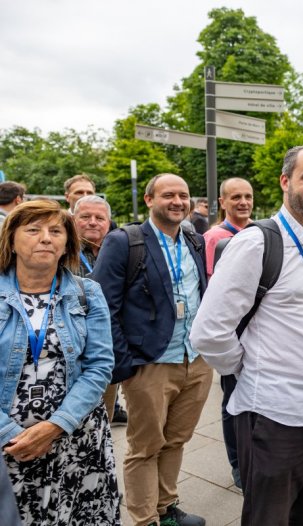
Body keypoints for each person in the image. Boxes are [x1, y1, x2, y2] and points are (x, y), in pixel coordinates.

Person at [190, 145, 303, 526]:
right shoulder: (256, 242)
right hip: (277, 416)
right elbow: (209, 331)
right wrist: (247, 369)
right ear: (285, 181)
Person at [92, 173, 211, 526]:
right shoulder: (125, 241)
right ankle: (145, 519)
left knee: (175, 439)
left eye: (183, 195)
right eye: (168, 194)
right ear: (149, 200)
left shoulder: (194, 239)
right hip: (150, 363)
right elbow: (104, 307)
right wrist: (125, 364)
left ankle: (166, 505)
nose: (177, 201)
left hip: (194, 358)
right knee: (144, 447)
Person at [0, 199, 119, 525]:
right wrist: (10, 434)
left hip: (78, 440)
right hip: (10, 449)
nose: (46, 238)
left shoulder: (87, 293)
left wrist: (56, 425)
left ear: (67, 241)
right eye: (34, 229)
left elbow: (99, 366)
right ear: (11, 238)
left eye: (55, 230)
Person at [202, 177, 254, 490]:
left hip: (257, 332)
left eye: (248, 196)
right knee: (232, 399)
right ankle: (237, 463)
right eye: (236, 197)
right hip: (233, 334)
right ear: (222, 202)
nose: (243, 202)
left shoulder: (257, 232)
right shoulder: (215, 238)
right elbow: (215, 292)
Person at [72, 195, 127, 426]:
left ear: (108, 222)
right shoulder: (63, 252)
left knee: (103, 421)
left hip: (107, 351)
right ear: (73, 219)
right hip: (73, 352)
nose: (93, 222)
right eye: (85, 217)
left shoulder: (120, 252)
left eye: (99, 218)